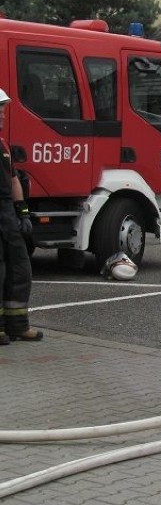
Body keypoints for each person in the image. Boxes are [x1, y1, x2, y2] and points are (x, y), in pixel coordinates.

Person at [0, 88, 42, 344]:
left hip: (6, 213)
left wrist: (22, 210)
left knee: (19, 267)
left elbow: (14, 178)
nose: (3, 114)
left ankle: (17, 324)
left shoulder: (2, 144)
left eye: (3, 109)